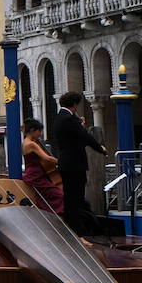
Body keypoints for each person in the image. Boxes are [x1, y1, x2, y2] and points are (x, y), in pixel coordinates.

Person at [52, 91, 106, 235]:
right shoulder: (69, 119)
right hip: (74, 164)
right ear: (75, 104)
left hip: (65, 163)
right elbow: (84, 136)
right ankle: (78, 230)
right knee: (76, 197)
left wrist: (78, 124)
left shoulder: (59, 118)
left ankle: (72, 227)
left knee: (70, 197)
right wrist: (100, 148)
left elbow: (73, 137)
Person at [20, 118, 63, 214]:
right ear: (32, 131)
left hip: (32, 174)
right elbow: (46, 158)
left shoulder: (25, 142)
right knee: (59, 195)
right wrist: (61, 161)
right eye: (39, 131)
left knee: (44, 198)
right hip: (36, 175)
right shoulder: (32, 144)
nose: (40, 134)